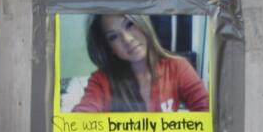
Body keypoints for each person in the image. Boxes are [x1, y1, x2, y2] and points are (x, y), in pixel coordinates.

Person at [73, 14, 209, 113]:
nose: (127, 39)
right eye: (113, 36)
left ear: (143, 23)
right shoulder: (101, 80)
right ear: (109, 48)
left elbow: (207, 111)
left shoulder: (178, 67)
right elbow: (84, 113)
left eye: (129, 25)